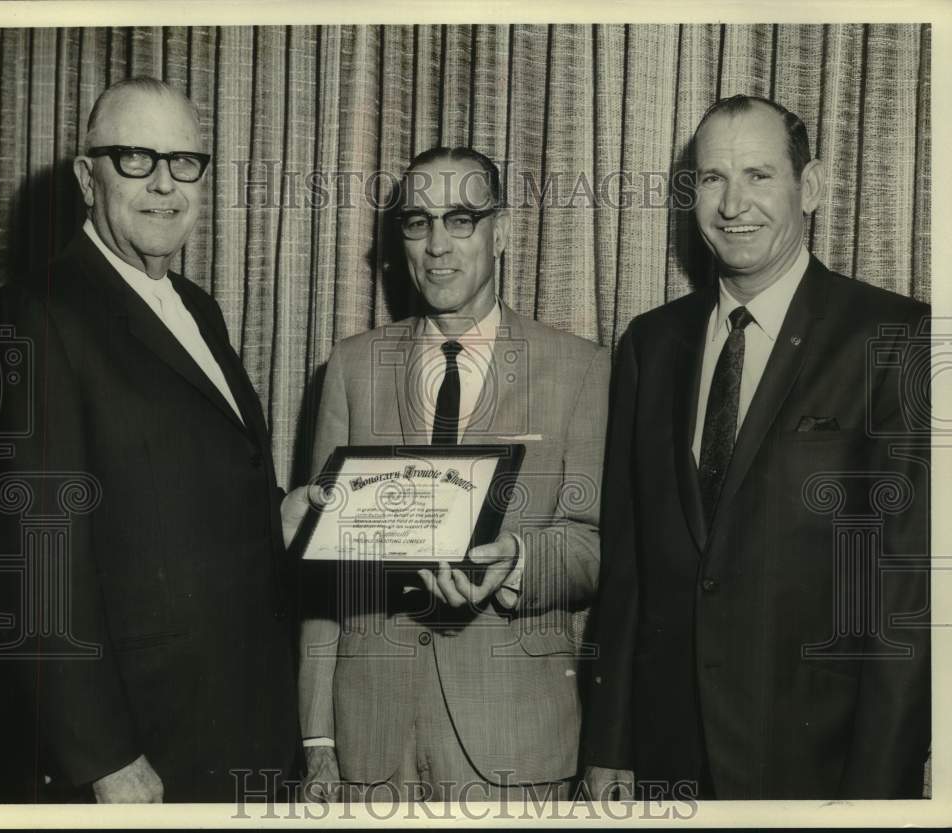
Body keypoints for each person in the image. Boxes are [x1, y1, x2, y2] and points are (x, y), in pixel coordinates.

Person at [581, 95, 930, 800]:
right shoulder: (650, 345)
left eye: (759, 176)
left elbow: (906, 596)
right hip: (665, 755)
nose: (733, 204)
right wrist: (610, 744)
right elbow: (628, 570)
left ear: (815, 187)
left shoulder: (894, 338)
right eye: (712, 179)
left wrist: (877, 792)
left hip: (817, 761)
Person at [0, 77, 313, 803]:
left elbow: (184, 490)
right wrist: (103, 757)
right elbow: (36, 558)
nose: (165, 184)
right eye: (135, 158)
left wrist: (278, 516)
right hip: (142, 747)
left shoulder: (196, 307)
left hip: (241, 722)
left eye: (185, 161)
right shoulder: (34, 314)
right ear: (85, 176)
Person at [298, 147, 610, 802]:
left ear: (503, 232)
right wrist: (317, 739)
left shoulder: (579, 369)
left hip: (514, 743)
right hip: (370, 744)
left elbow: (591, 544)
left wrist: (518, 561)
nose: (437, 245)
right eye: (418, 221)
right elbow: (322, 570)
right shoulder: (351, 369)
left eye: (461, 219)